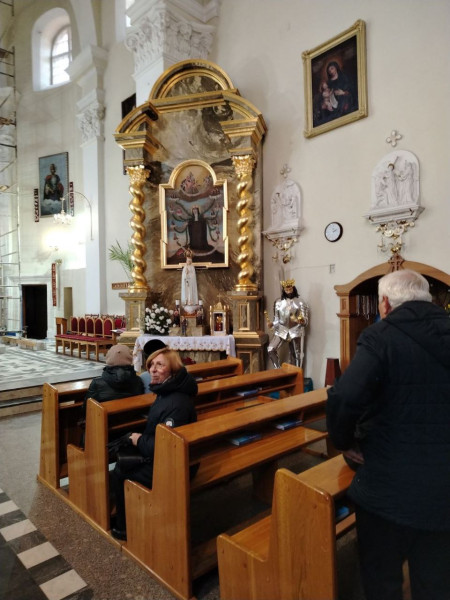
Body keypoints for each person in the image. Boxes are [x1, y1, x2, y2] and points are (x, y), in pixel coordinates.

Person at [326, 269, 450, 600]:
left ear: (384, 303)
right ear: (428, 298)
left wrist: (344, 442)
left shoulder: (380, 337)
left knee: (382, 581)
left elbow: (344, 397)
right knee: (437, 584)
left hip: (388, 487)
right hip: (444, 489)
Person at [110, 347, 198, 540]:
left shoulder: (175, 402)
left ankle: (124, 528)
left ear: (173, 370)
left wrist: (138, 438)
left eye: (160, 365)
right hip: (173, 457)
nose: (152, 369)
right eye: (151, 365)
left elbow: (166, 447)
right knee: (124, 455)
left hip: (173, 467)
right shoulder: (169, 391)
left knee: (120, 471)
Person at [83, 344, 144, 417]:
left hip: (106, 421)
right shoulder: (138, 380)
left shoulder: (97, 383)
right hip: (133, 419)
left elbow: (87, 408)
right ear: (129, 359)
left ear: (109, 359)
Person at [266, 279, 309, 369]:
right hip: (282, 329)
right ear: (284, 290)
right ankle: (278, 370)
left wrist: (301, 321)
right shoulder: (278, 302)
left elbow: (305, 321)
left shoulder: (300, 302)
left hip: (296, 329)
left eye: (290, 289)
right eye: (287, 290)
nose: (289, 291)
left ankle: (297, 373)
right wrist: (272, 324)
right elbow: (277, 319)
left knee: (297, 354)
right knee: (270, 348)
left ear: (293, 289)